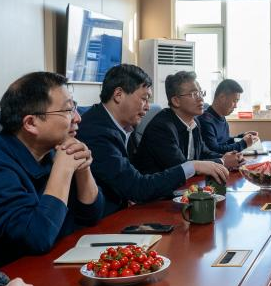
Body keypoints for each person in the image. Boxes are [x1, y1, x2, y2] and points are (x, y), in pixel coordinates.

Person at [0, 72, 104, 268]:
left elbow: (91, 215)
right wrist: (63, 170)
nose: (77, 118)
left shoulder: (48, 153)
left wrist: (82, 168)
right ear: (31, 123)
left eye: (74, 107)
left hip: (43, 265)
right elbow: (37, 238)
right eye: (68, 110)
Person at [78, 64, 228, 217]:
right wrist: (193, 166)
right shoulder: (96, 132)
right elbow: (137, 187)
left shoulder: (124, 126)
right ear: (118, 95)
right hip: (104, 220)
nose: (147, 107)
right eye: (144, 99)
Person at [133, 71, 244, 173]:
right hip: (161, 188)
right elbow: (181, 167)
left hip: (186, 185)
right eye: (194, 94)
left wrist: (228, 158)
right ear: (176, 101)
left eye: (201, 93)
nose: (201, 99)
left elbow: (203, 152)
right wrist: (222, 161)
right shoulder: (161, 127)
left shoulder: (194, 122)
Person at [197, 79, 258, 154]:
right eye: (234, 101)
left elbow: (224, 142)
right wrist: (243, 143)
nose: (235, 106)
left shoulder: (221, 116)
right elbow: (214, 150)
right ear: (222, 97)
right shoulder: (205, 121)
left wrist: (242, 137)